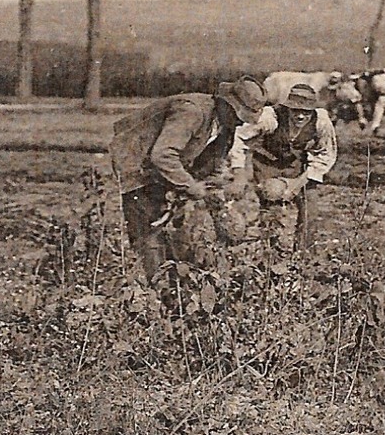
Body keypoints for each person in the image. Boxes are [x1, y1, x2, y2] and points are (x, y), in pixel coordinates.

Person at [110, 76, 267, 283]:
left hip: (167, 165)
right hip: (137, 161)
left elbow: (213, 164)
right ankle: (155, 289)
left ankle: (179, 280)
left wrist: (213, 191)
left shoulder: (224, 126)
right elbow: (163, 155)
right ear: (226, 104)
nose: (241, 122)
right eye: (239, 115)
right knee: (148, 228)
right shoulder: (191, 112)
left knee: (177, 223)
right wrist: (191, 186)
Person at [238, 81, 338, 252]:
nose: (300, 116)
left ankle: (303, 253)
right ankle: (271, 251)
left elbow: (325, 154)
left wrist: (297, 185)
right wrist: (238, 170)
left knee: (310, 205)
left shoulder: (321, 122)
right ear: (288, 107)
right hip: (268, 165)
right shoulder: (269, 118)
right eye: (295, 110)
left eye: (305, 112)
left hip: (298, 167)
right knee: (272, 199)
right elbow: (239, 138)